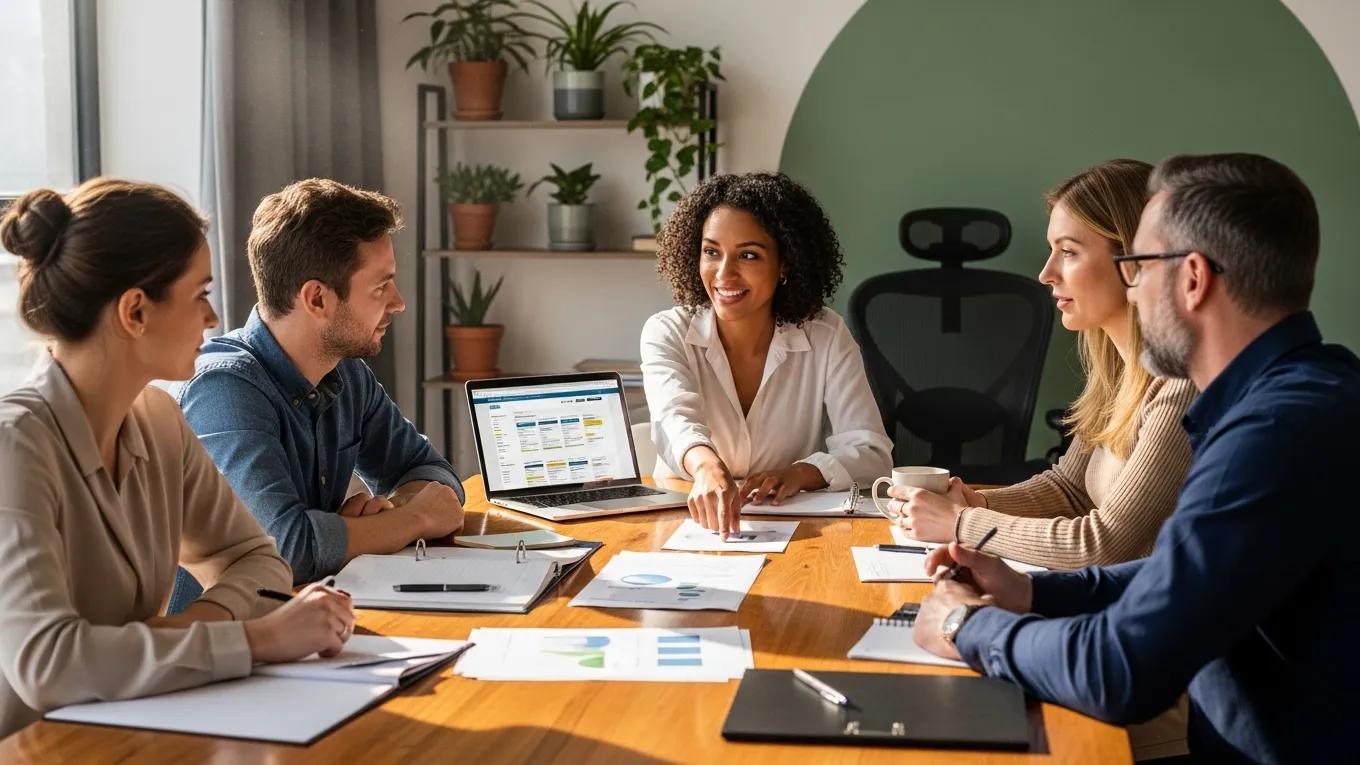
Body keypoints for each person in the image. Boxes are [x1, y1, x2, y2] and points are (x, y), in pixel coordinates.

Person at [912, 153, 1360, 763]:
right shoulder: (1304, 394)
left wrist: (965, 627)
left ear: (1192, 278)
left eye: (1138, 266)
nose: (1133, 288)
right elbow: (1183, 573)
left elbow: (1119, 671)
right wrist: (1033, 596)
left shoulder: (1272, 432)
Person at [0, 179, 355, 737]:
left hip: (133, 729)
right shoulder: (15, 447)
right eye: (199, 293)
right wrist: (257, 639)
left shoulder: (160, 422)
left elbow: (257, 561)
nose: (213, 318)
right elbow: (48, 663)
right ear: (135, 311)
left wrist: (193, 627)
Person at [885, 160, 1196, 571]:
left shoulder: (1180, 384)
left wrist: (962, 522)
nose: (1046, 273)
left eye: (1068, 252)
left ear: (1133, 259)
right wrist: (977, 501)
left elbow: (1103, 544)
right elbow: (1071, 491)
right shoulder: (1119, 374)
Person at [173, 179, 463, 604]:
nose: (398, 303)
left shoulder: (348, 375)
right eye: (381, 287)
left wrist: (389, 512)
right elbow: (284, 548)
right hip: (224, 651)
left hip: (310, 625)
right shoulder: (223, 389)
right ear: (317, 299)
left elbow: (434, 475)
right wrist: (414, 520)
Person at [641, 171, 892, 539]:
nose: (724, 274)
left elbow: (870, 450)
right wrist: (707, 467)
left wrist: (799, 474)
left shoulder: (825, 334)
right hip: (683, 524)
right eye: (711, 252)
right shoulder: (667, 331)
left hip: (793, 530)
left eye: (748, 255)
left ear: (785, 263)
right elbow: (674, 418)